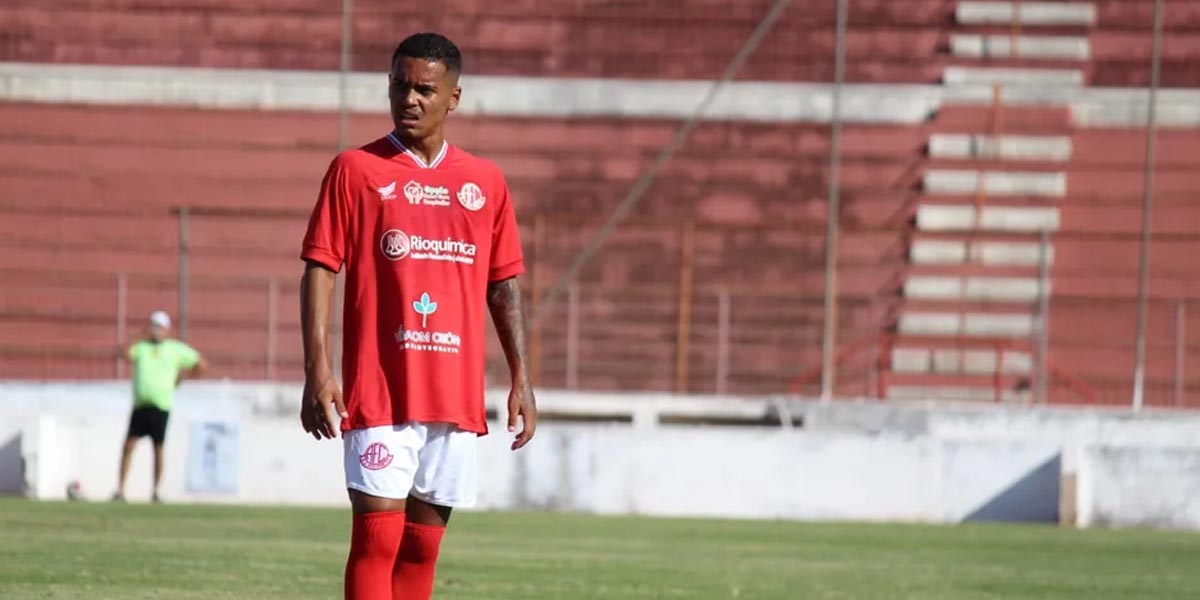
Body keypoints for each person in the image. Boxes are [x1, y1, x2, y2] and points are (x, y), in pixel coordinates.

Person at [299, 32, 537, 600]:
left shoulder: (485, 183)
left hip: (453, 393)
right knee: (376, 543)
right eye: (399, 86)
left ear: (454, 97)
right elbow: (319, 268)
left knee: (421, 551)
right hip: (378, 389)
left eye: (425, 89)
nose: (410, 98)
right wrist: (318, 369)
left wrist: (521, 375)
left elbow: (503, 284)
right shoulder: (355, 170)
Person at [114, 310, 206, 502]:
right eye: (153, 326)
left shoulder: (175, 349)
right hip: (141, 404)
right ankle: (120, 490)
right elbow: (123, 354)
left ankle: (155, 491)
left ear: (166, 329)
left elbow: (201, 363)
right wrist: (140, 335)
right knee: (129, 445)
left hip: (161, 405)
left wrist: (184, 378)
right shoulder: (142, 347)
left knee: (158, 448)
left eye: (159, 327)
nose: (156, 330)